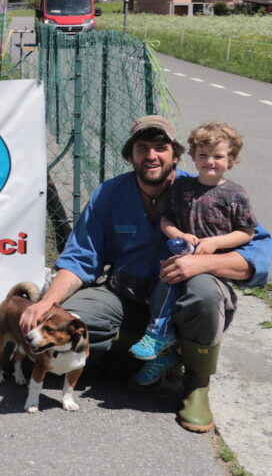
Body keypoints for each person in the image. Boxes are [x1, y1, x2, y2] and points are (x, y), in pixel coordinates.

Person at [20, 115, 270, 433]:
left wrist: (204, 263)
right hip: (124, 292)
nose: (151, 155)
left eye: (160, 147)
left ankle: (195, 385)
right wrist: (47, 304)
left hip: (183, 295)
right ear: (130, 155)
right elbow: (80, 258)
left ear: (176, 155)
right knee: (68, 323)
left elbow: (260, 253)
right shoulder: (109, 194)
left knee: (205, 292)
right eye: (142, 148)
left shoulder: (208, 191)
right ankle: (159, 353)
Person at [128, 122, 255, 376]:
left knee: (200, 300)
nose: (210, 161)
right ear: (192, 157)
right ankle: (160, 343)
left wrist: (216, 242)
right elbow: (166, 219)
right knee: (165, 286)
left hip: (212, 271)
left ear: (231, 159)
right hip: (181, 256)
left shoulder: (235, 194)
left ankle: (191, 372)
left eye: (217, 156)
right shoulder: (182, 188)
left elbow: (247, 231)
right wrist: (177, 234)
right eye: (203, 155)